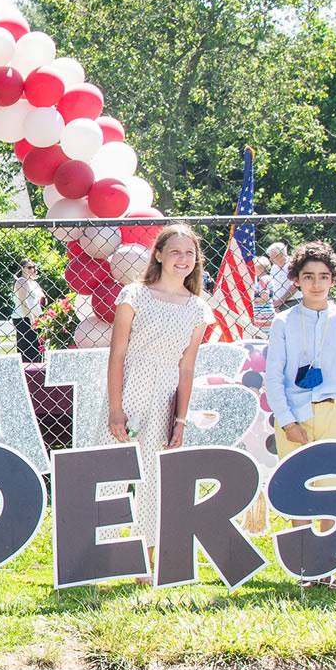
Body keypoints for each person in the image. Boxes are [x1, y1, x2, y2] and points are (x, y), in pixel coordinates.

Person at [106, 224, 212, 574]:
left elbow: (187, 367)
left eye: (189, 253)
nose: (183, 259)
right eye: (176, 252)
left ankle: (144, 559)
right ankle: (102, 554)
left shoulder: (198, 308)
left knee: (154, 477)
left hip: (167, 393)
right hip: (131, 384)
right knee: (113, 470)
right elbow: (118, 355)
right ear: (159, 255)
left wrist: (180, 420)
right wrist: (116, 408)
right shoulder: (134, 295)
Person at [264, 241, 336, 567]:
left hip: (334, 410)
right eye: (308, 277)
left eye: (323, 276)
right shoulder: (284, 322)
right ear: (296, 279)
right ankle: (305, 562)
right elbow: (274, 377)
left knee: (333, 488)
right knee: (298, 487)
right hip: (295, 414)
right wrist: (288, 421)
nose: (316, 284)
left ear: (333, 279)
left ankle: (327, 564)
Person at [12, 259, 47, 362]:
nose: (33, 270)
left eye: (34, 268)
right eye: (29, 267)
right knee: (29, 349)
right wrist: (31, 318)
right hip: (24, 318)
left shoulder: (33, 283)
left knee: (38, 347)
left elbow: (44, 299)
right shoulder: (21, 281)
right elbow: (24, 302)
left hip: (36, 318)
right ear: (22, 268)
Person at [265, 242, 297, 312]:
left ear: (281, 255)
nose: (270, 259)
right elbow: (271, 285)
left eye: (273, 257)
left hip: (292, 301)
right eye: (270, 257)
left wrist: (280, 301)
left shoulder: (292, 265)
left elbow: (294, 287)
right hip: (275, 303)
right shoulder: (274, 267)